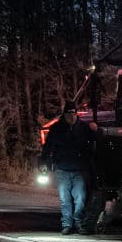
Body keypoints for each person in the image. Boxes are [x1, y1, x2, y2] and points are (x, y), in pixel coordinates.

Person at [39, 101, 98, 235]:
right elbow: (48, 147)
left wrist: (95, 131)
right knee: (65, 199)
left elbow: (94, 141)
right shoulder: (57, 128)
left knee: (80, 198)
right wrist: (44, 163)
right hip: (62, 168)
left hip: (79, 169)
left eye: (74, 113)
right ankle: (66, 224)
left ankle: (78, 223)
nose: (72, 116)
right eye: (69, 113)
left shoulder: (83, 127)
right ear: (65, 114)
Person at [81, 123, 122, 234]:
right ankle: (90, 226)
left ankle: (90, 225)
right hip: (98, 179)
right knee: (97, 204)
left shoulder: (91, 144)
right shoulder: (100, 144)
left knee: (96, 203)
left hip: (97, 178)